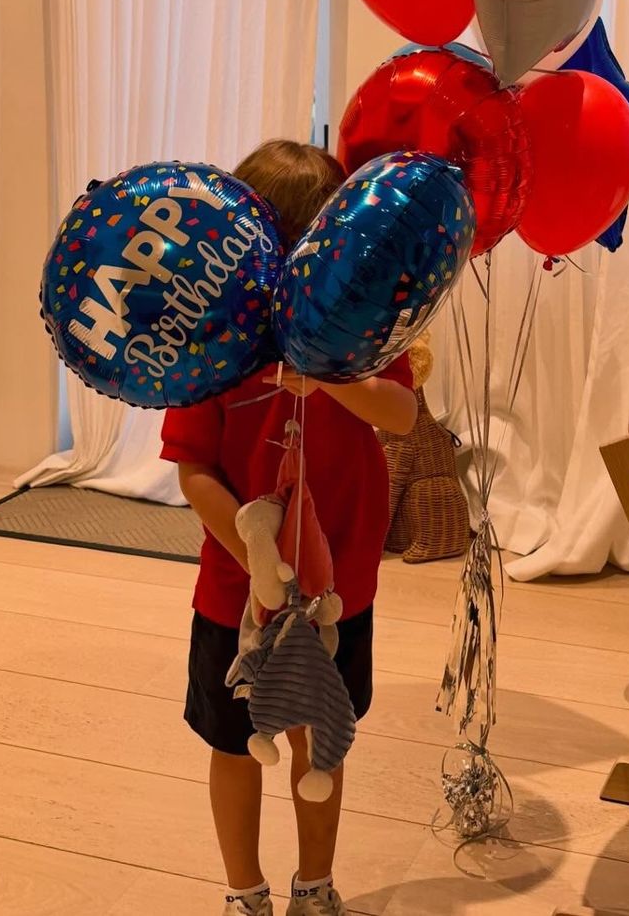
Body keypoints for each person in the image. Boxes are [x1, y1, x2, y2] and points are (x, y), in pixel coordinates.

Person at [161, 139, 419, 916]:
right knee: (233, 742)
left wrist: (333, 378)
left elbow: (401, 414)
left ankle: (316, 886)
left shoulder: (361, 328)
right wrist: (257, 555)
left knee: (322, 742)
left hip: (340, 587)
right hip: (236, 594)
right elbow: (193, 470)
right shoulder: (212, 340)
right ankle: (244, 893)